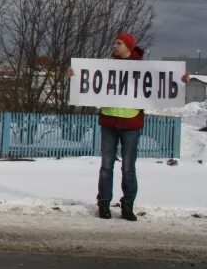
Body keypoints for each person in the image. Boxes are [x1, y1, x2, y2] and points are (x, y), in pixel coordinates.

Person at [77, 32, 190, 222]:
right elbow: (88, 81)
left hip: (131, 124)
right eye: (114, 42)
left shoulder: (142, 68)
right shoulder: (107, 67)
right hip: (108, 121)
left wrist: (181, 80)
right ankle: (103, 204)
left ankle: (127, 205)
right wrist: (75, 75)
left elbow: (162, 81)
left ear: (128, 46)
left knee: (128, 168)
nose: (114, 45)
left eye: (118, 43)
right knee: (106, 166)